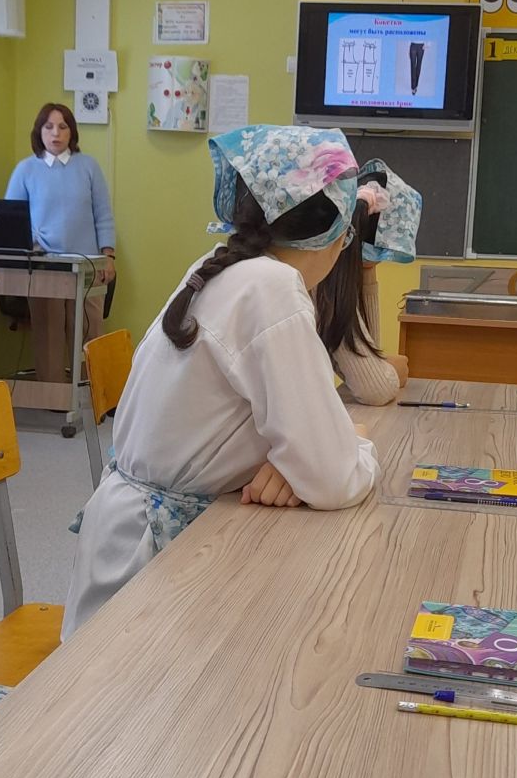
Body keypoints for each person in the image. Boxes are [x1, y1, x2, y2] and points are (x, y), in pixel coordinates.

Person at [62, 125, 380, 639]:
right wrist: (355, 443)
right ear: (337, 232)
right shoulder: (273, 288)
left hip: (131, 546)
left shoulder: (223, 267)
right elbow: (335, 476)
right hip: (159, 580)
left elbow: (288, 449)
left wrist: (289, 464)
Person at [5, 102, 115, 383]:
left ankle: (94, 392)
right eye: (49, 127)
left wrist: (108, 256)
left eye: (63, 127)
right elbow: (11, 221)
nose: (56, 133)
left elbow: (103, 214)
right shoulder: (26, 170)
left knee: (90, 331)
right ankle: (53, 395)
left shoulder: (88, 167)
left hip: (87, 265)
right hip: (44, 267)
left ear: (71, 132)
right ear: (39, 132)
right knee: (49, 333)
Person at [315, 164, 421, 406]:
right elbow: (375, 389)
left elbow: (366, 357)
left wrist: (366, 272)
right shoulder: (325, 289)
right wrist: (390, 371)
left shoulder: (331, 279)